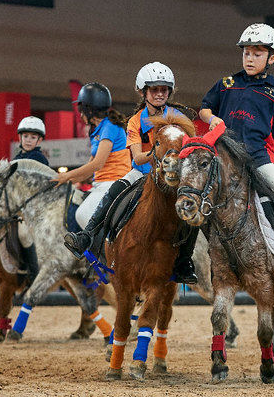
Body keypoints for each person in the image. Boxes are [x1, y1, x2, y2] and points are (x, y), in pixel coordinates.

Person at [197, 23, 274, 288]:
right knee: (194, 191)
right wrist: (212, 118)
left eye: (257, 53)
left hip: (259, 158)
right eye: (246, 52)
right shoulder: (226, 84)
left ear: (272, 58)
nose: (250, 58)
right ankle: (188, 260)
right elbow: (204, 108)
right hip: (224, 158)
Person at [64, 63, 198, 284]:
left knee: (193, 206)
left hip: (172, 176)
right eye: (154, 89)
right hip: (143, 174)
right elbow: (137, 158)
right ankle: (86, 236)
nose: (159, 94)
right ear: (143, 91)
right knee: (114, 192)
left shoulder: (178, 117)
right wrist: (158, 152)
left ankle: (185, 261)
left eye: (164, 89)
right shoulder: (135, 121)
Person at [54, 82, 131, 241]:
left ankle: (106, 254)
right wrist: (65, 181)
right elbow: (90, 167)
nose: (79, 113)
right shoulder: (96, 129)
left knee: (82, 214)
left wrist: (66, 176)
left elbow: (98, 164)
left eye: (81, 109)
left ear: (89, 110)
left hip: (114, 182)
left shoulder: (110, 126)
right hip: (100, 184)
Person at [7, 116, 50, 284]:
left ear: (39, 140)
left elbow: (40, 187)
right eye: (26, 136)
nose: (28, 140)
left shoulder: (40, 159)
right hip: (15, 207)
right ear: (20, 137)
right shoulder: (15, 159)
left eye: (33, 137)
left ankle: (33, 273)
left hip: (34, 208)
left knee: (24, 234)